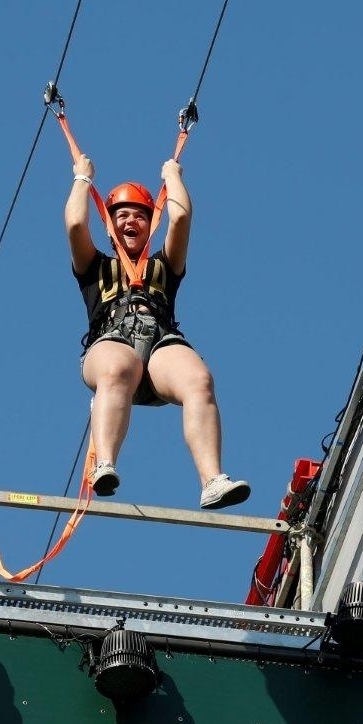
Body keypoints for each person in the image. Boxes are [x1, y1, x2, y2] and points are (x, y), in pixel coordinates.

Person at [66, 154, 250, 510]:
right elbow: (75, 224)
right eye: (122, 214)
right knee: (119, 368)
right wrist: (82, 178)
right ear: (109, 226)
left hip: (161, 345)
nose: (131, 220)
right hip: (112, 342)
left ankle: (212, 480)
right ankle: (104, 464)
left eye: (140, 215)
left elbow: (180, 215)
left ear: (151, 225)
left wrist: (173, 175)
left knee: (199, 379)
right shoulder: (95, 268)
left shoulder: (164, 265)